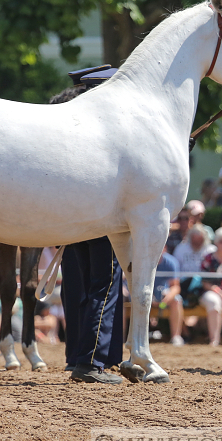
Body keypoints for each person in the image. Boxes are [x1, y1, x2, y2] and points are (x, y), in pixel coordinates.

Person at [57, 65, 126, 385]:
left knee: (77, 287)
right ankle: (92, 361)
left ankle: (79, 356)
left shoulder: (68, 131)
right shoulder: (108, 131)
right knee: (106, 284)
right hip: (101, 217)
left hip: (71, 218)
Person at [152, 248, 184, 345]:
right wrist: (150, 297)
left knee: (177, 300)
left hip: (163, 297)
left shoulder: (171, 262)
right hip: (145, 295)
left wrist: (165, 300)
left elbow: (175, 287)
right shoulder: (142, 261)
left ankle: (176, 336)